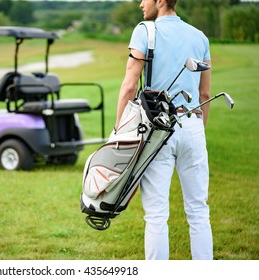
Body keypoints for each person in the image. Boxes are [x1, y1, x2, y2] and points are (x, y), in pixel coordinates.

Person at [114, 0, 213, 260]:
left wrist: (118, 132)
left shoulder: (145, 31)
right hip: (192, 125)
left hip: (158, 131)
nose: (140, 4)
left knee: (156, 215)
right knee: (199, 211)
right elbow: (205, 93)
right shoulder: (200, 37)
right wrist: (196, 132)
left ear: (159, 1)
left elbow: (128, 86)